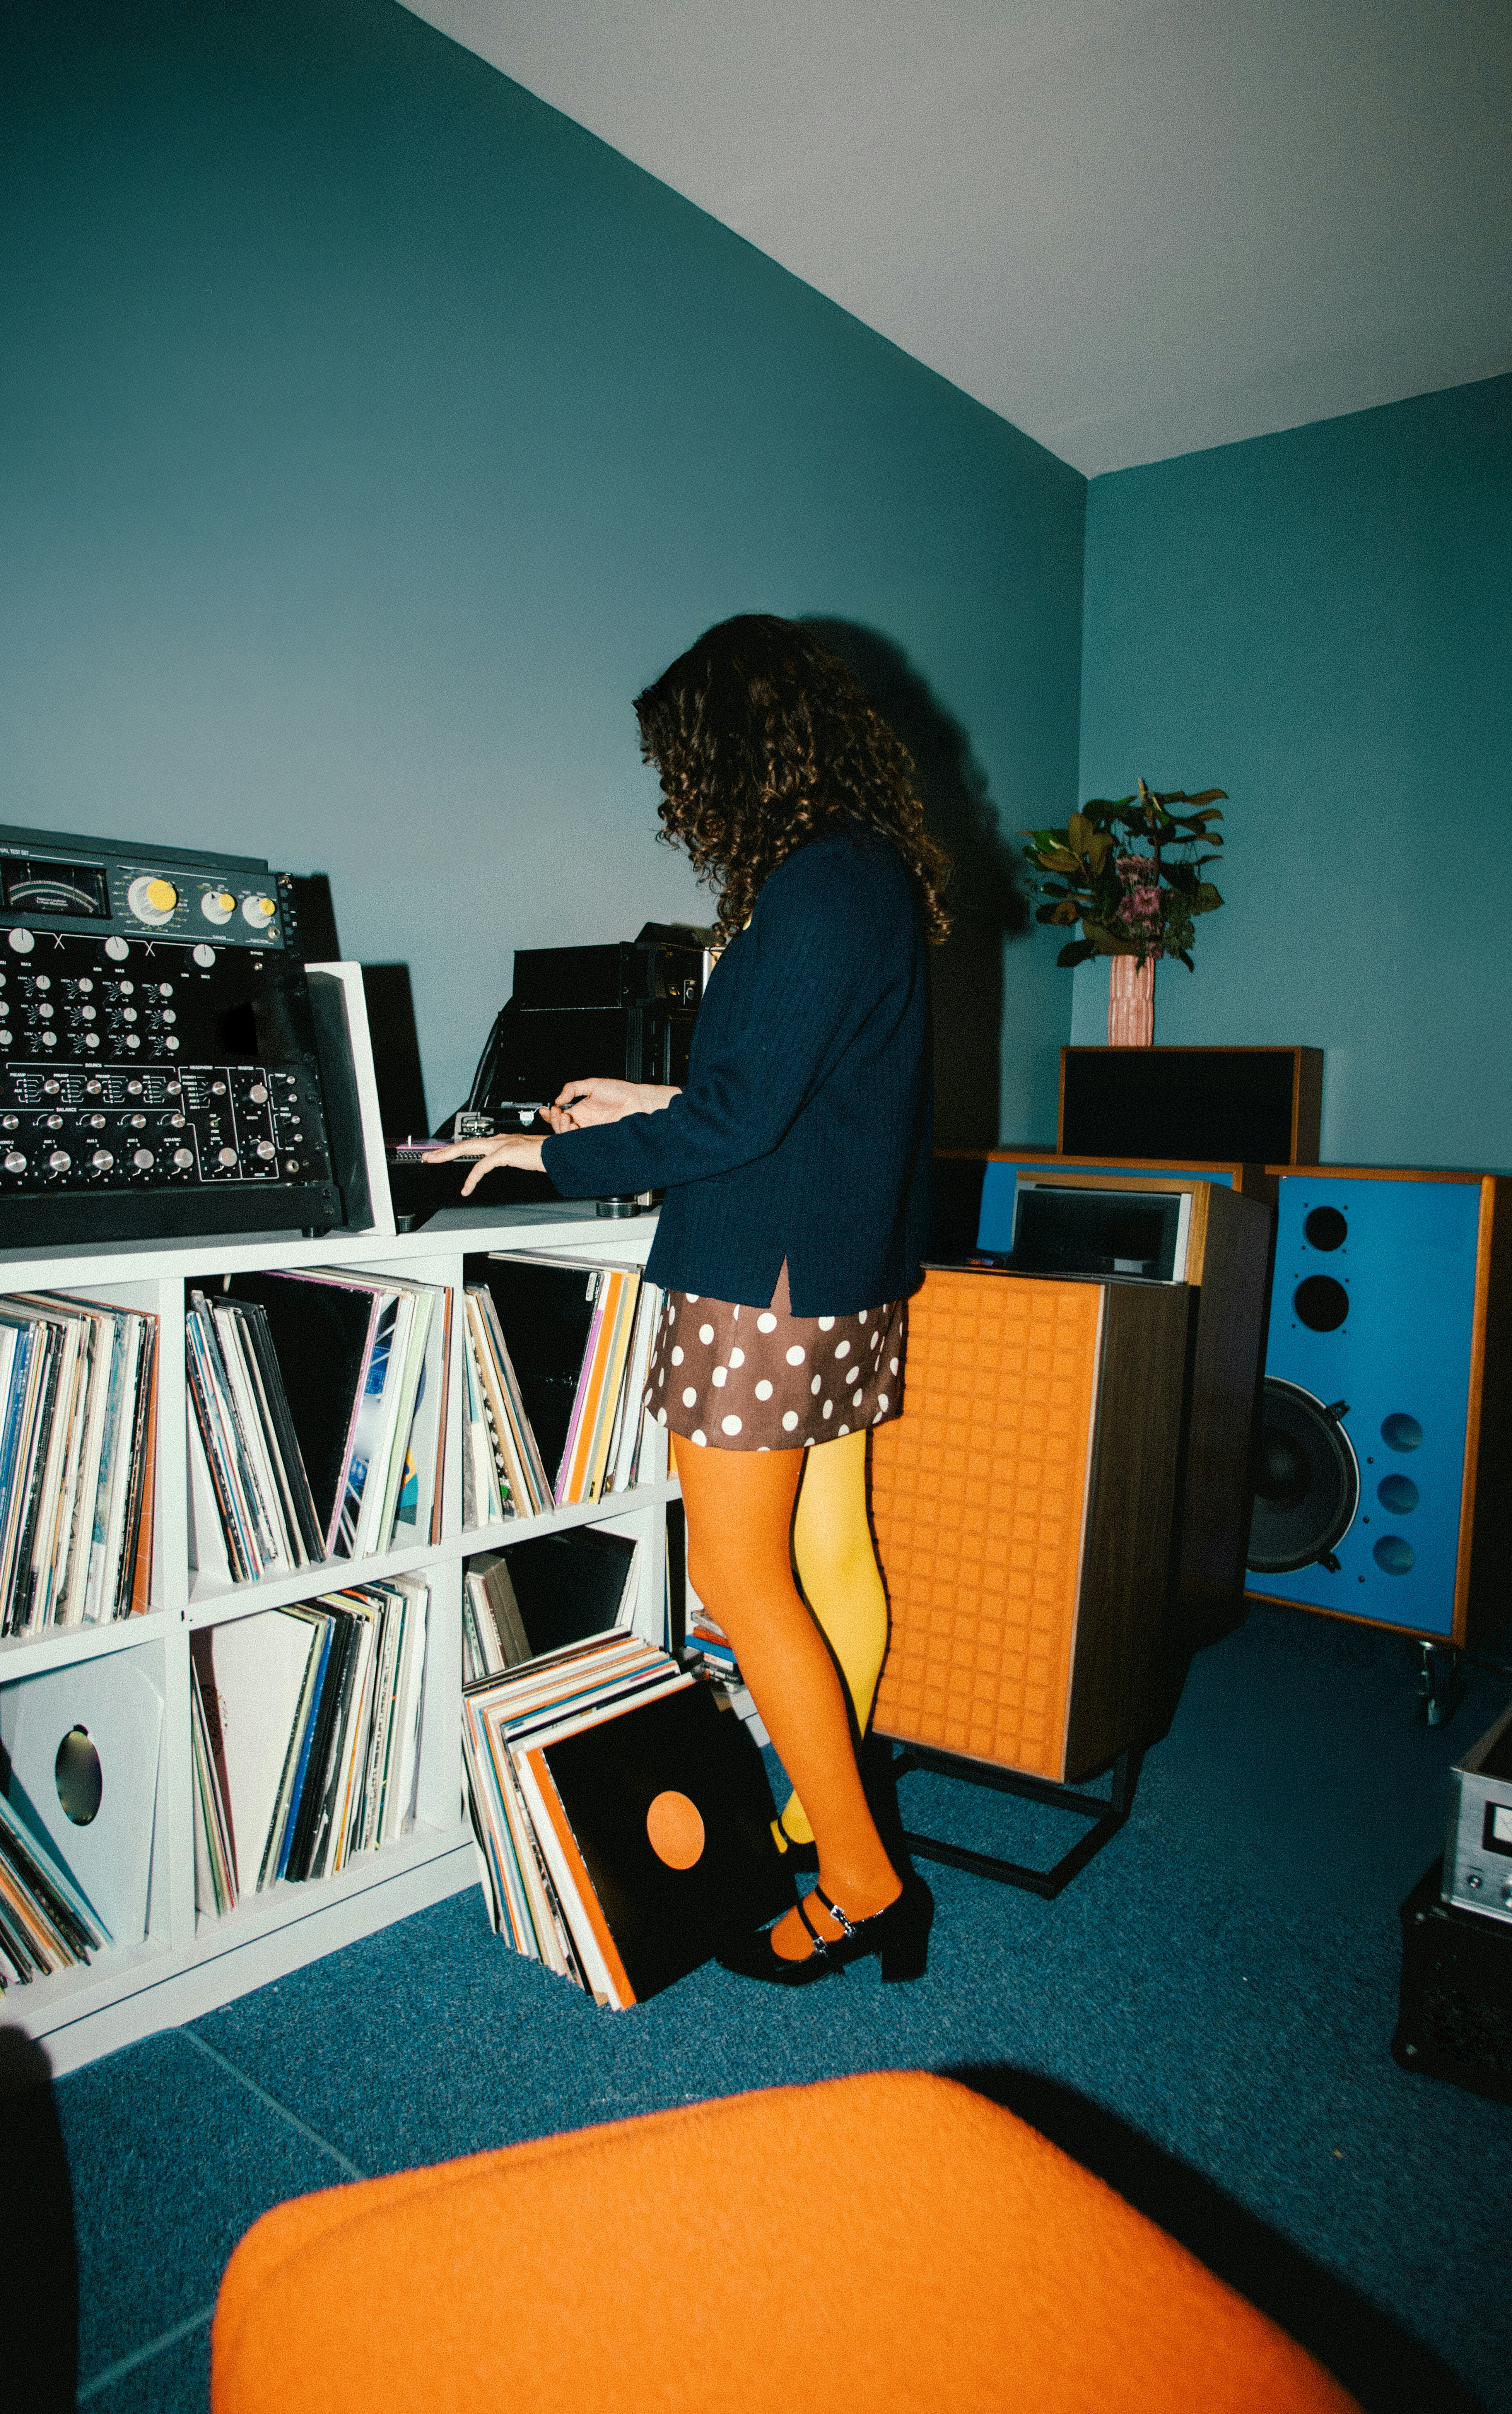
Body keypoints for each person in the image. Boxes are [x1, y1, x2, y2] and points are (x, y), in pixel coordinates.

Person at [433, 614, 949, 1984]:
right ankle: (826, 1818)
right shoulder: (866, 870)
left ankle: (863, 1880)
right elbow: (800, 1092)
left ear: (738, 747)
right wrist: (649, 1096)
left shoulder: (814, 885)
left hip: (764, 1288)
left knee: (740, 1576)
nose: (680, 791)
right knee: (828, 1554)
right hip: (841, 1277)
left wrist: (544, 1154)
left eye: (684, 762)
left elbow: (740, 1126)